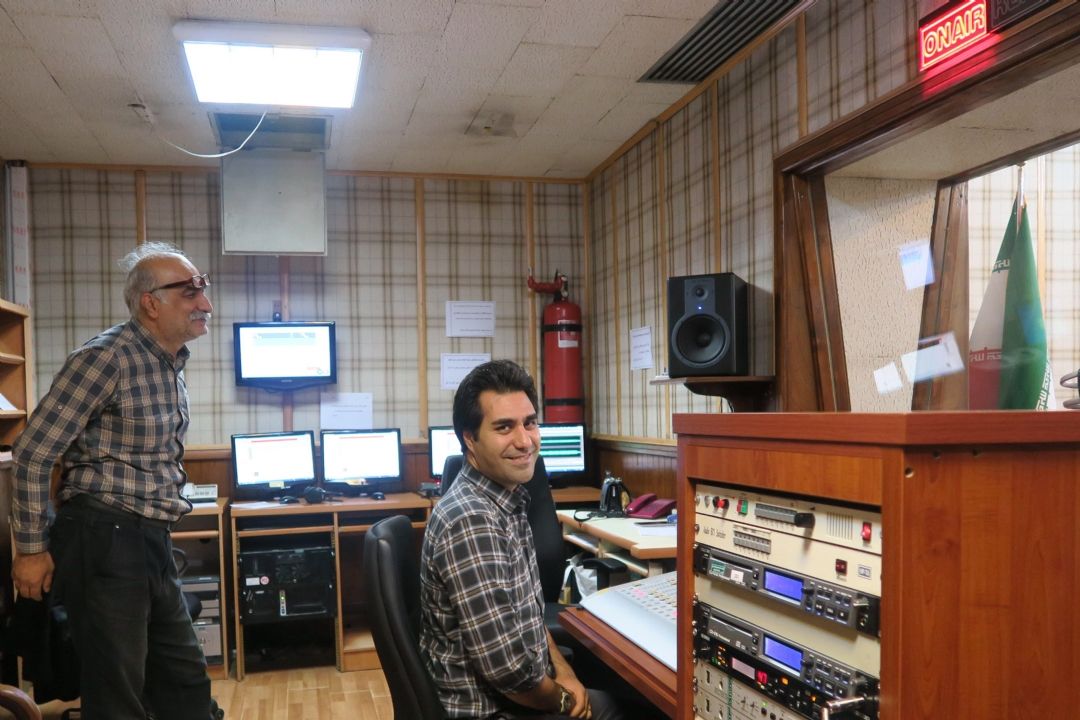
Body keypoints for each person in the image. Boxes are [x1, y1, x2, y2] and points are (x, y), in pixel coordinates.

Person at [10, 242, 217, 720]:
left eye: (203, 291)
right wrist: (31, 550)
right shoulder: (106, 358)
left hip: (149, 541)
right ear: (151, 303)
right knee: (117, 695)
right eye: (190, 293)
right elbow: (33, 453)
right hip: (104, 539)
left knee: (186, 682)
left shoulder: (167, 361)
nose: (205, 304)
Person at [420, 359, 624, 720]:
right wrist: (566, 700)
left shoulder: (508, 499)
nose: (524, 440)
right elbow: (509, 673)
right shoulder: (472, 520)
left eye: (529, 423)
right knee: (624, 708)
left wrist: (564, 671)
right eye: (504, 427)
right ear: (469, 439)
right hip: (493, 710)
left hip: (519, 693)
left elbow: (529, 614)